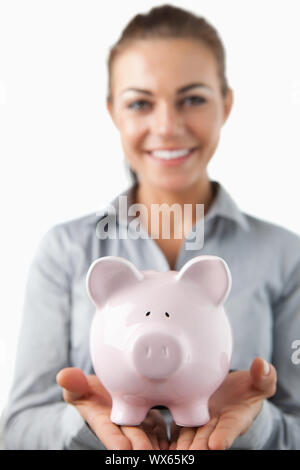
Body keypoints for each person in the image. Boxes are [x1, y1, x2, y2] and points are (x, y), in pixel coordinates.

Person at [1, 4, 300, 450]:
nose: (167, 126)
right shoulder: (65, 250)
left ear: (227, 103)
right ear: (113, 112)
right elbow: (16, 429)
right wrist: (86, 424)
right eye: (140, 103)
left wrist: (255, 423)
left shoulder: (285, 255)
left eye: (193, 98)